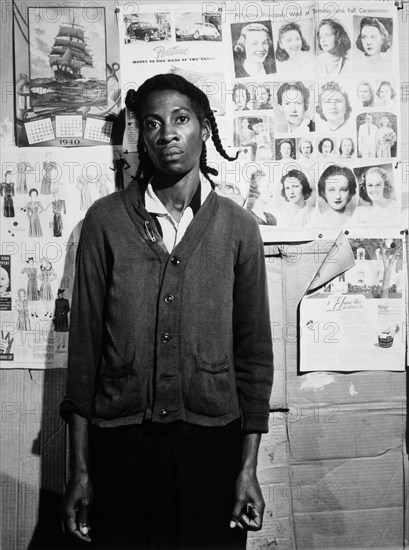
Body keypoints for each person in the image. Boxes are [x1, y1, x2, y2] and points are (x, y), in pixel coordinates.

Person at [60, 73, 274, 550]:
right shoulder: (105, 222)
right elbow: (84, 353)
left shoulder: (238, 229)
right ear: (142, 138)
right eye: (152, 124)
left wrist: (247, 469)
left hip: (211, 450)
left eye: (181, 119)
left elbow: (255, 359)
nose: (167, 134)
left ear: (204, 127)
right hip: (122, 448)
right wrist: (80, 470)